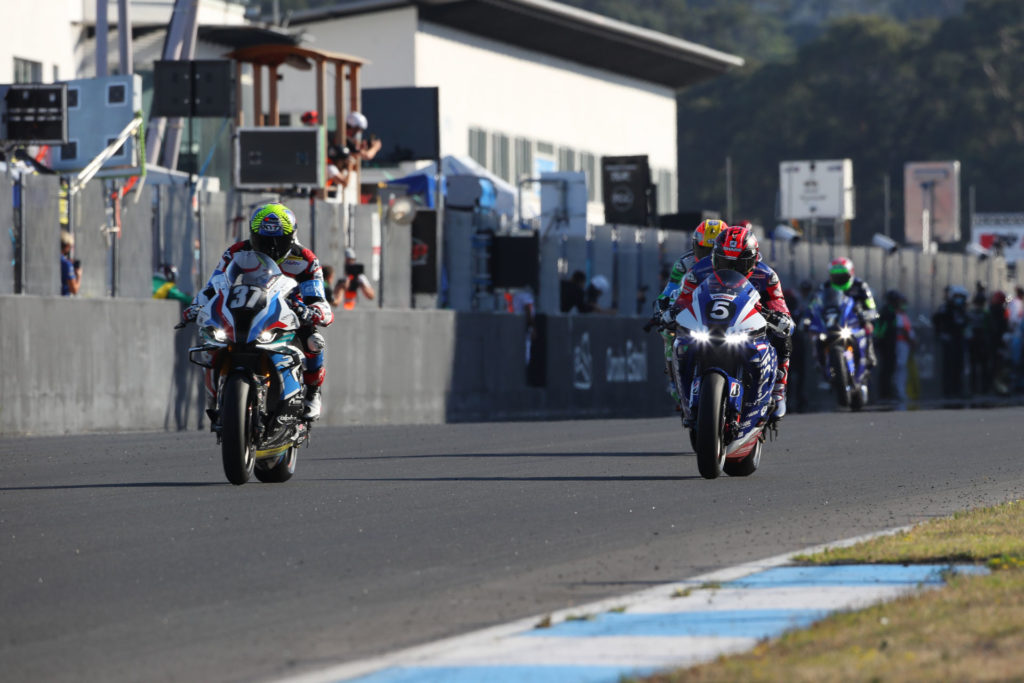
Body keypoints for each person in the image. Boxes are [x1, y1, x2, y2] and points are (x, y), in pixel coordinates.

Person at [183, 203, 334, 421]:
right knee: (211, 340)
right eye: (263, 241)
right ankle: (216, 397)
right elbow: (212, 286)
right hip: (245, 309)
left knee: (313, 341)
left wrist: (314, 312)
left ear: (291, 237)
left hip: (290, 312)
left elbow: (319, 298)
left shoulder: (305, 260)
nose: (270, 248)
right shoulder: (236, 252)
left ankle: (312, 393)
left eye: (278, 241)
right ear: (253, 235)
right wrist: (196, 306)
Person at [669, 225, 794, 421]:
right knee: (679, 340)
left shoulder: (767, 276)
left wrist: (781, 318)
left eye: (738, 264)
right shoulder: (699, 271)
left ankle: (779, 389)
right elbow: (684, 298)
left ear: (752, 260)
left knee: (783, 336)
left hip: (749, 328)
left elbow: (780, 306)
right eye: (724, 262)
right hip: (709, 324)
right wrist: (672, 311)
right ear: (715, 257)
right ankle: (684, 393)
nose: (731, 269)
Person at [651, 218, 727, 407]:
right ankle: (674, 380)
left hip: (726, 310)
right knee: (668, 333)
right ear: (695, 245)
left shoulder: (733, 261)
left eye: (713, 251)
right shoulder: (684, 263)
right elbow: (669, 290)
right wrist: (661, 308)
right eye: (703, 249)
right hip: (693, 309)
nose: (708, 257)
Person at [820, 257, 879, 369]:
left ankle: (869, 354)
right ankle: (821, 361)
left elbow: (871, 306)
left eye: (842, 275)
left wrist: (868, 315)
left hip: (855, 321)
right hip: (832, 322)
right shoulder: (825, 287)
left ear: (851, 273)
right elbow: (815, 305)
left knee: (868, 327)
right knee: (818, 336)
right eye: (835, 275)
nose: (839, 278)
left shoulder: (861, 286)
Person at [932, 285, 969, 398]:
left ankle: (958, 389)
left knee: (959, 365)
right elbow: (936, 320)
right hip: (949, 341)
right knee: (949, 366)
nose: (959, 299)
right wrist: (941, 334)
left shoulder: (962, 309)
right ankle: (948, 390)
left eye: (961, 297)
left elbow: (964, 322)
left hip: (959, 340)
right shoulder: (946, 308)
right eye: (957, 297)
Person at [60, 230, 82, 296]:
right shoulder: (66, 264)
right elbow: (74, 290)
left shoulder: (54, 260)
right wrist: (79, 276)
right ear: (67, 246)